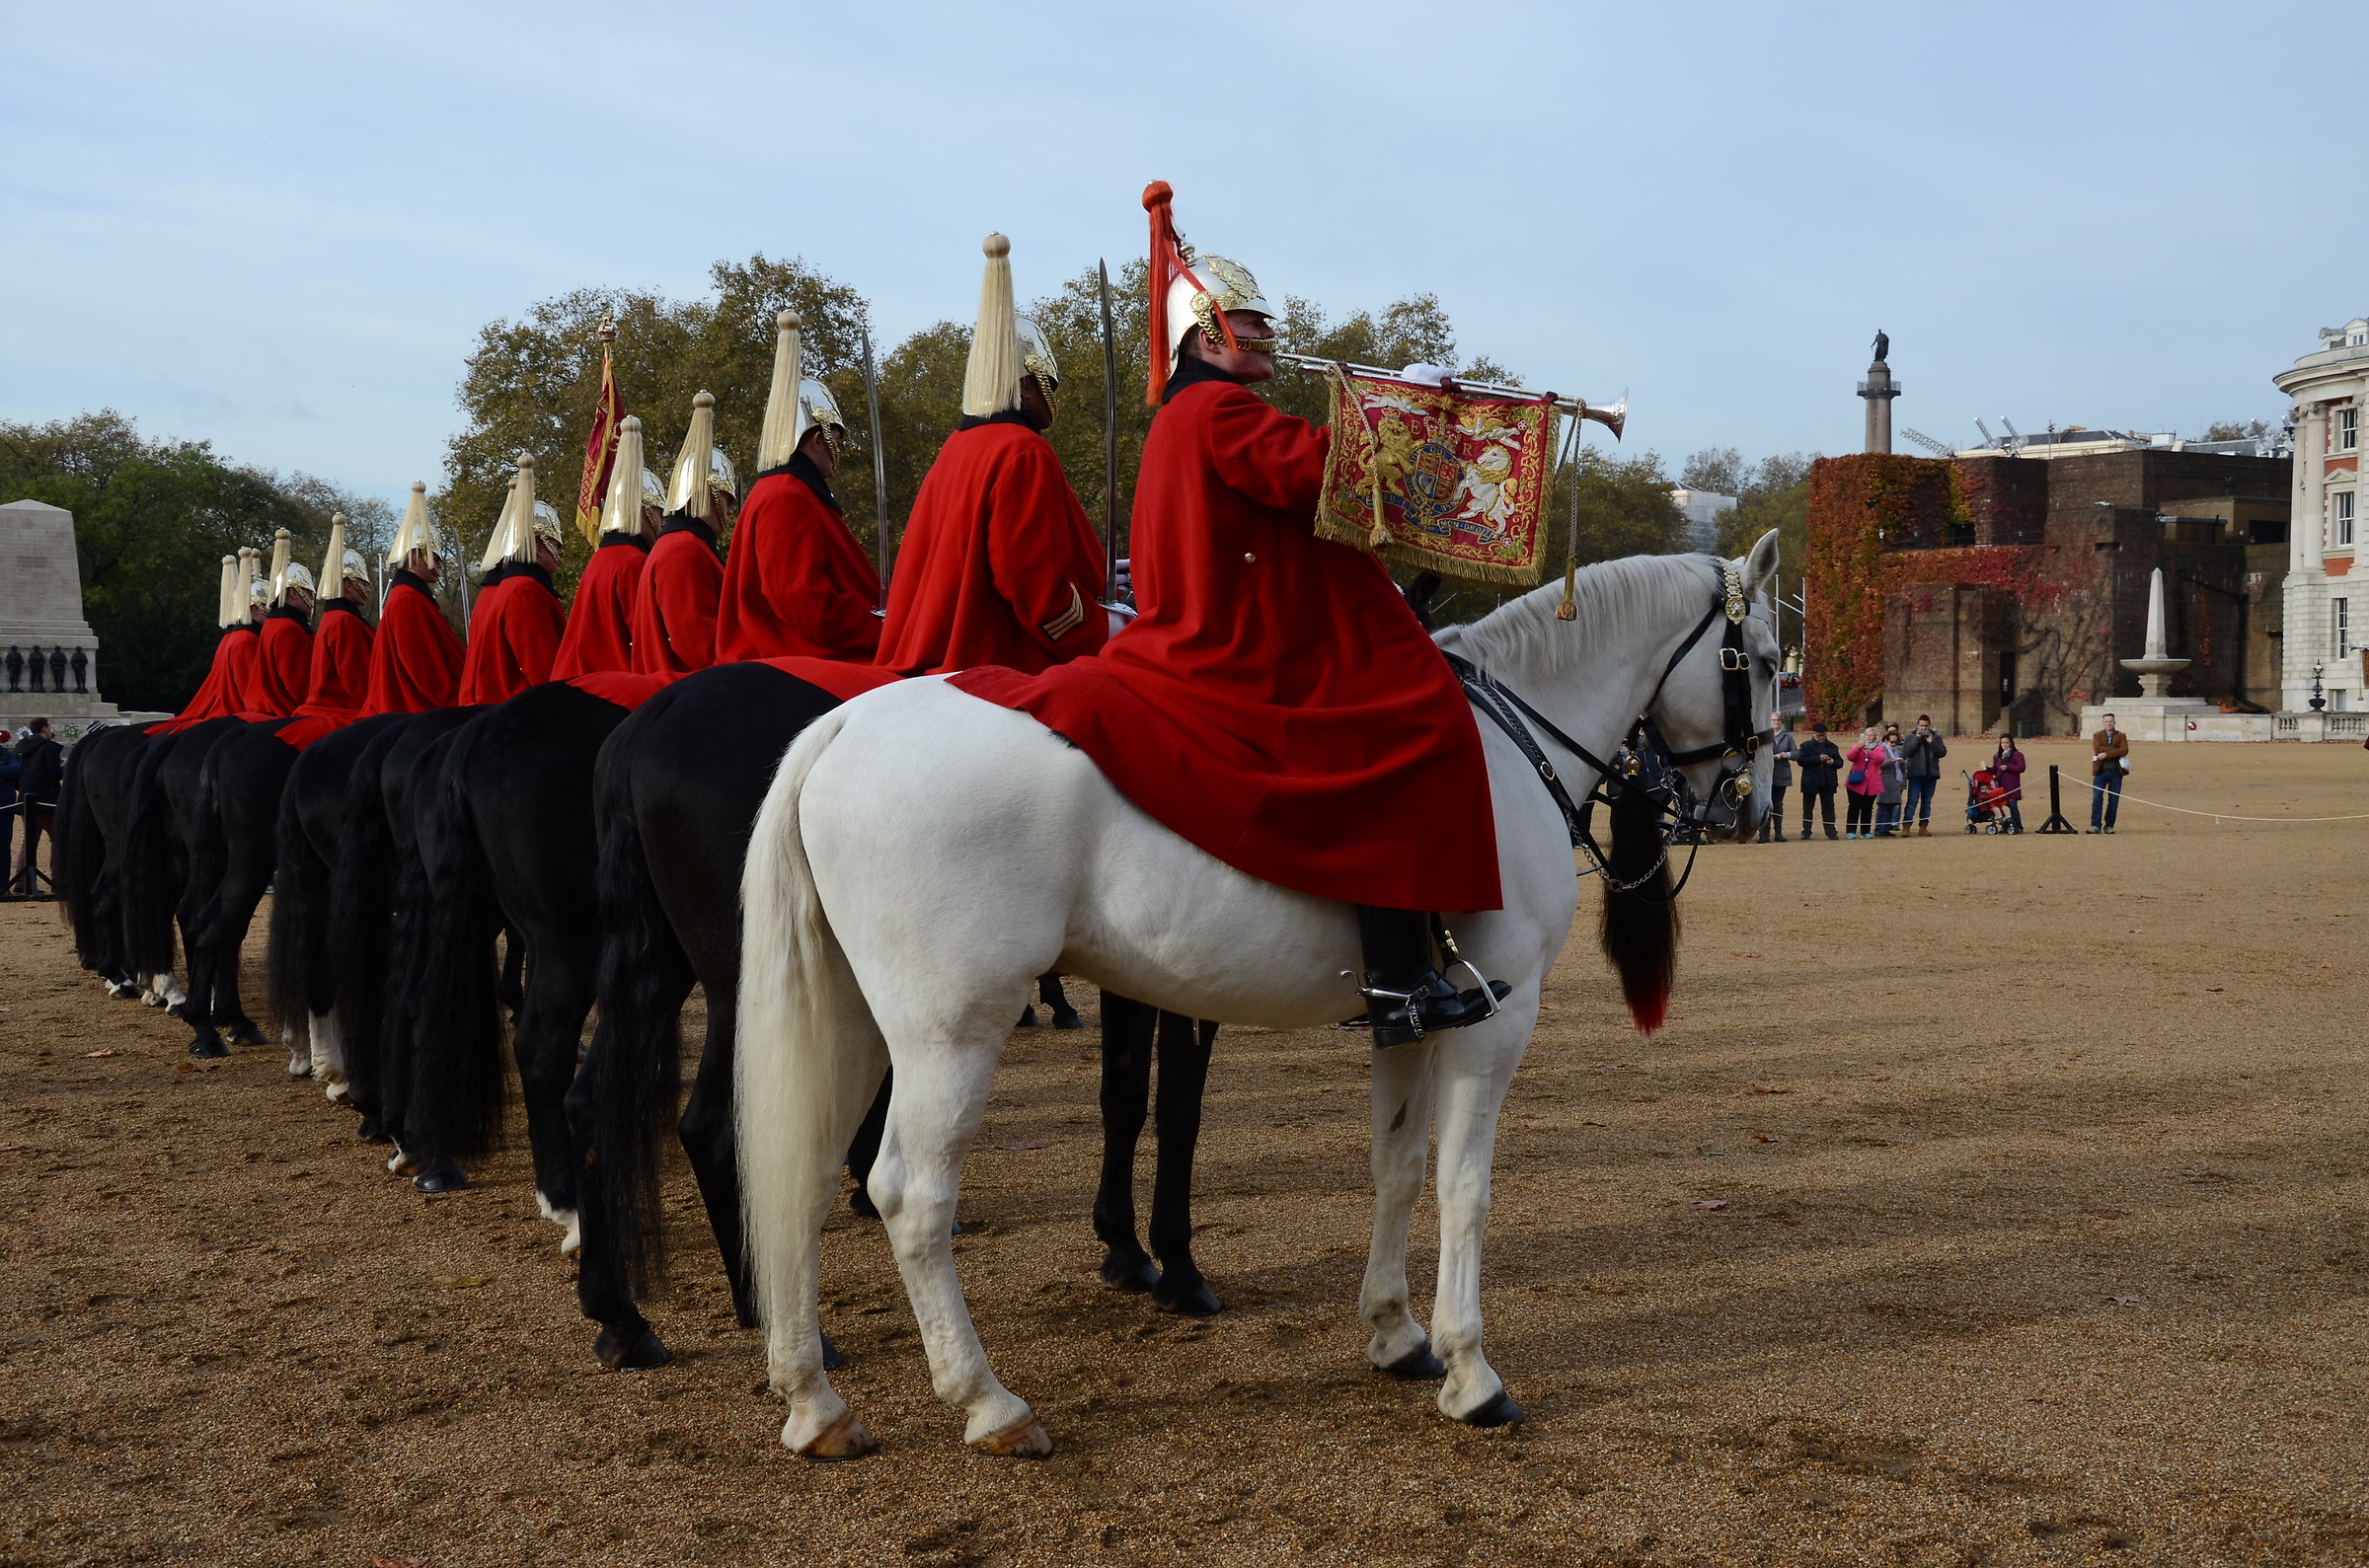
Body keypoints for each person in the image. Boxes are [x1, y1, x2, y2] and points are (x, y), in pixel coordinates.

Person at [947, 191, 1501, 1046]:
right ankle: (1396, 980)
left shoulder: (1185, 415)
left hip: (1218, 631)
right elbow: (1317, 475)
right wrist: (1408, 409)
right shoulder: (1219, 409)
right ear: (1208, 336)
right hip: (1238, 651)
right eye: (1253, 323)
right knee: (1419, 714)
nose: (1273, 335)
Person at [878, 235, 1113, 678]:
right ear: (1025, 384)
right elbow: (1035, 588)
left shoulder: (955, 448)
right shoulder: (1023, 451)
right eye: (1049, 381)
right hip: (996, 665)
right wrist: (1105, 631)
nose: (1054, 393)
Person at [714, 313, 881, 664]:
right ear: (818, 440)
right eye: (836, 438)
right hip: (802, 658)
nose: (840, 449)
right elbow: (805, 605)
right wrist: (883, 626)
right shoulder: (786, 497)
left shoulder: (793, 492)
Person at [631, 393, 735, 675]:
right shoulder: (683, 550)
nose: (729, 513)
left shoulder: (687, 545)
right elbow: (699, 647)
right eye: (727, 500)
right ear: (706, 494)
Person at [550, 421, 659, 681]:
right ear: (641, 510)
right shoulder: (633, 561)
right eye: (657, 509)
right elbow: (644, 639)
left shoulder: (604, 555)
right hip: (605, 682)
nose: (663, 518)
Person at [458, 457, 569, 705]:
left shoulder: (517, 585)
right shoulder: (525, 590)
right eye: (556, 544)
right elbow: (543, 670)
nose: (561, 552)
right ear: (538, 547)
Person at [363, 483, 467, 714]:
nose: (440, 564)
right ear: (416, 556)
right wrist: (458, 705)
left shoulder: (415, 597)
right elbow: (424, 670)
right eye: (436, 557)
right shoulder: (407, 600)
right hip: (412, 710)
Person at [298, 520, 375, 716]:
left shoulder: (335, 616)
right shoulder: (344, 621)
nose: (368, 588)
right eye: (363, 583)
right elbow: (357, 681)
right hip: (339, 710)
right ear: (349, 586)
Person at [254, 528, 316, 716]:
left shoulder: (275, 623)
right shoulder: (289, 629)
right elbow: (301, 686)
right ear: (294, 593)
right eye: (308, 591)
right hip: (282, 712)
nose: (313, 596)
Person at [13, 719, 62, 896]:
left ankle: (21, 882)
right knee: (57, 839)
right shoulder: (48, 748)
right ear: (44, 729)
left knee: (29, 842)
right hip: (46, 796)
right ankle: (58, 881)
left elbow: (18, 773)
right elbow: (55, 773)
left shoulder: (20, 747)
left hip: (26, 796)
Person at [1897, 713, 1947, 835]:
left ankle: (1923, 826)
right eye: (1921, 726)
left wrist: (1932, 742)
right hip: (1915, 774)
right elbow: (1907, 752)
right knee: (1912, 801)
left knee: (1926, 802)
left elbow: (1942, 752)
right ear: (1917, 725)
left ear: (1929, 725)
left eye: (1926, 726)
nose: (1924, 728)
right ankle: (1906, 826)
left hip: (1931, 775)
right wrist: (1917, 739)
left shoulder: (1936, 737)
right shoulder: (1911, 737)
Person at [1796, 720, 1842, 840]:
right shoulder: (1805, 746)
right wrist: (1818, 758)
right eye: (1819, 735)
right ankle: (1806, 831)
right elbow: (1801, 761)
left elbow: (1840, 762)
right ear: (1813, 734)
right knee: (1808, 809)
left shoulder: (1832, 746)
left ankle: (1831, 831)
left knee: (1828, 809)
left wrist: (1833, 762)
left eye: (1823, 735)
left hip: (1827, 781)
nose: (1821, 738)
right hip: (1810, 781)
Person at [1756, 711, 1795, 843]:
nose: (1776, 723)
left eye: (1778, 720)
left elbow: (1796, 753)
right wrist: (1773, 757)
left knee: (1778, 805)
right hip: (1766, 775)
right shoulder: (1764, 736)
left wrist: (1786, 755)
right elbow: (1758, 754)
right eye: (1773, 720)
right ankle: (1763, 834)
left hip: (1782, 775)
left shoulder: (1787, 736)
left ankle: (1778, 833)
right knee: (1766, 805)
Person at [2089, 710, 2128, 833]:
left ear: (2114, 722)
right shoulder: (2097, 735)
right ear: (2103, 723)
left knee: (2114, 800)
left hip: (2115, 772)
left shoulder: (2121, 735)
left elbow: (2124, 750)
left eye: (2111, 721)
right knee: (2097, 798)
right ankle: (2095, 825)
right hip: (2101, 771)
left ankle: (2109, 825)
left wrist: (2106, 754)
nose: (2109, 723)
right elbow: (2097, 748)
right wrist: (2114, 751)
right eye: (2106, 721)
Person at [1844, 725, 1885, 839]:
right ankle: (1851, 831)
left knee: (1867, 808)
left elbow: (1881, 759)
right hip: (1856, 783)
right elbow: (1850, 757)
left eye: (1871, 735)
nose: (1869, 737)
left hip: (1871, 784)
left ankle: (1865, 831)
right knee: (1854, 807)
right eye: (1867, 735)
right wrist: (1858, 748)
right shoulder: (1857, 747)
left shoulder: (1879, 749)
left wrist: (1869, 752)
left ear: (1875, 737)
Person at [1990, 730, 2026, 833]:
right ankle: (2005, 826)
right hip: (2000, 787)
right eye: (2002, 743)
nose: (2004, 745)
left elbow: (2021, 767)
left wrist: (2008, 767)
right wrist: (1986, 770)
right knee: (2002, 808)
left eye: (2007, 743)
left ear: (2011, 743)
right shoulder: (1997, 756)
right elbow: (1995, 769)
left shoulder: (2017, 755)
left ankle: (2018, 826)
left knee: (2013, 807)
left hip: (2012, 786)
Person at [1873, 722, 1906, 837]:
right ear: (1886, 740)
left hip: (1895, 780)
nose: (1893, 744)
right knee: (1882, 805)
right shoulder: (1881, 749)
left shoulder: (1895, 750)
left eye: (1895, 742)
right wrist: (1890, 761)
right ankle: (1879, 828)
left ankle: (1886, 828)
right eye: (1891, 742)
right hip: (1884, 780)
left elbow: (1902, 767)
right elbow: (1878, 763)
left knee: (1892, 805)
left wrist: (1902, 763)